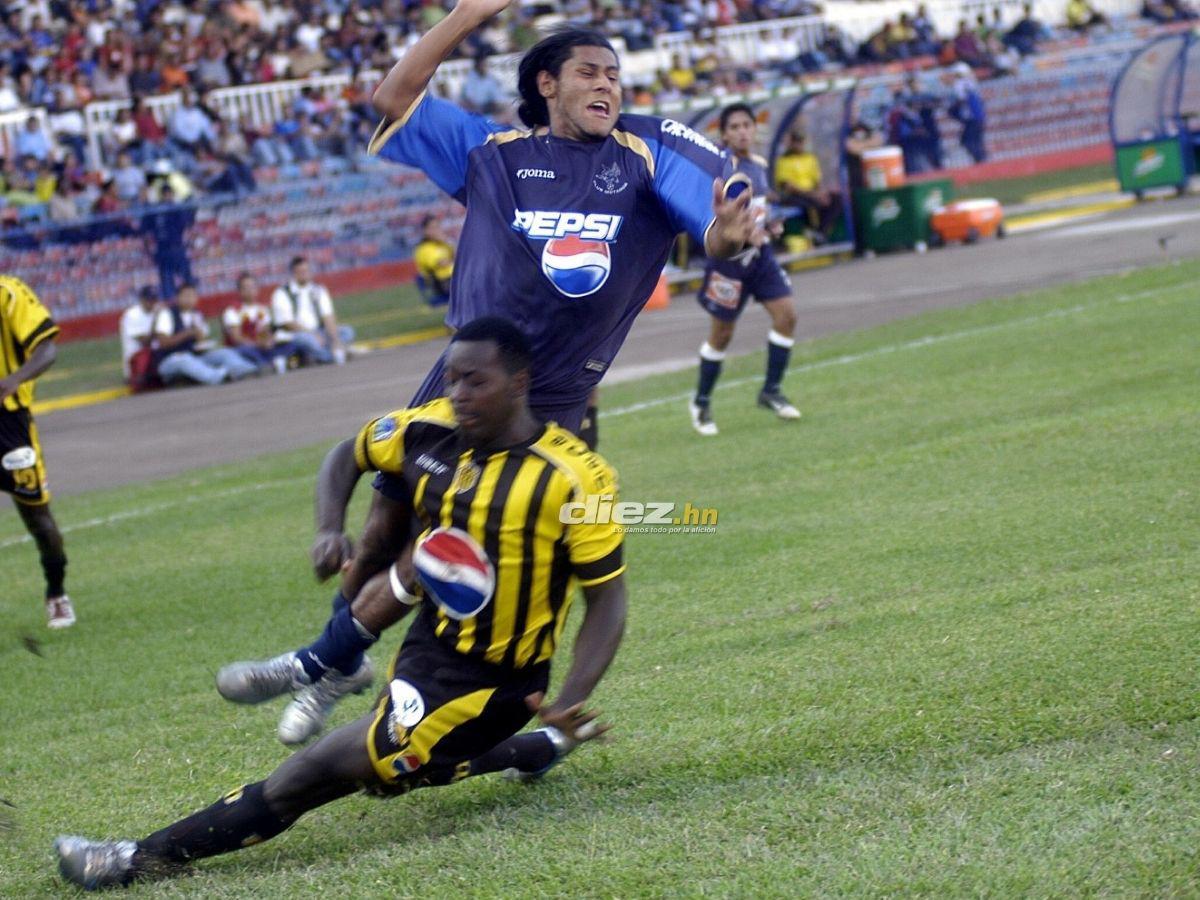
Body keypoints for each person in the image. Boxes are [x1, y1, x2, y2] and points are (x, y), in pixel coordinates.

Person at [210, 6, 756, 744]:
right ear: (546, 83)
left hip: (549, 407)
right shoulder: (491, 151)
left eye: (616, 75)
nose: (609, 86)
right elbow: (392, 99)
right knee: (382, 529)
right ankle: (339, 665)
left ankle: (349, 672)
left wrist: (724, 235)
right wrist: (466, 15)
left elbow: (715, 228)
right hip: (458, 381)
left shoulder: (647, 151)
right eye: (591, 72)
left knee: (461, 551)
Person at [54, 318, 628, 889]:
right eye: (451, 379)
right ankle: (538, 749)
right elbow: (345, 455)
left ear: (520, 382)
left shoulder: (580, 478)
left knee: (316, 770)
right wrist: (329, 527)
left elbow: (607, 599)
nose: (457, 394)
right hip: (428, 646)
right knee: (396, 773)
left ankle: (129, 859)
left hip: (493, 687)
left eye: (474, 381)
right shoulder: (426, 432)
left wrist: (569, 698)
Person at [690, 104, 800, 437]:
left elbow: (760, 211)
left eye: (746, 125)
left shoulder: (760, 166)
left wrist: (770, 225)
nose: (741, 131)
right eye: (734, 126)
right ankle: (701, 402)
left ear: (755, 129)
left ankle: (771, 390)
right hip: (729, 263)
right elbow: (707, 215)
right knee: (722, 334)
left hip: (760, 256)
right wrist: (736, 232)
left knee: (787, 315)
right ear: (723, 133)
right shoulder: (719, 168)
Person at [0, 275, 74, 628]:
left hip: (8, 425)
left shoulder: (9, 293)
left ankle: (56, 593)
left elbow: (47, 349)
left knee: (39, 522)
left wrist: (15, 379)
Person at [153, 284, 259, 386]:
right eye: (186, 296)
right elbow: (163, 343)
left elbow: (201, 341)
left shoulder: (197, 314)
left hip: (193, 356)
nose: (189, 299)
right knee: (184, 358)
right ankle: (217, 376)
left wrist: (200, 338)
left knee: (224, 352)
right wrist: (187, 333)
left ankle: (245, 369)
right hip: (170, 360)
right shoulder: (167, 314)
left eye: (192, 296)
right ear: (177, 298)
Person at [269, 256, 354, 366]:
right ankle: (333, 356)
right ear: (294, 273)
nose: (305, 274)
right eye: (301, 272)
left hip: (319, 331)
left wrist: (335, 339)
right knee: (308, 341)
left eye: (307, 271)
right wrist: (312, 334)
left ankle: (330, 352)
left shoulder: (319, 290)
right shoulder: (282, 293)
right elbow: (287, 323)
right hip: (296, 334)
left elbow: (328, 316)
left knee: (347, 331)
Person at [223, 272, 291, 374]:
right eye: (246, 287)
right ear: (240, 291)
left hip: (260, 346)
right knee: (247, 350)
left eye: (253, 286)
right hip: (244, 347)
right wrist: (257, 344)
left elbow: (266, 331)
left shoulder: (262, 309)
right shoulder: (232, 311)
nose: (250, 290)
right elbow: (236, 338)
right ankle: (267, 364)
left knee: (289, 344)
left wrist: (268, 341)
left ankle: (267, 363)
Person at [140, 183, 196, 299]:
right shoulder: (167, 210)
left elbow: (186, 224)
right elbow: (145, 231)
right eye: (166, 194)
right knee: (169, 281)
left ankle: (188, 298)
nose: (167, 196)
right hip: (167, 249)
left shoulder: (160, 210)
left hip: (173, 248)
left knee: (183, 279)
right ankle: (173, 302)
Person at [119, 286, 161, 383]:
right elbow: (145, 342)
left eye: (155, 300)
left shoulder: (156, 312)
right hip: (137, 361)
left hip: (152, 357)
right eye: (150, 300)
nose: (153, 303)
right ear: (142, 300)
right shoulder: (132, 315)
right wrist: (157, 320)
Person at [947, 63, 987, 164]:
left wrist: (951, 110)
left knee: (967, 140)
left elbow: (961, 99)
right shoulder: (972, 82)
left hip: (970, 117)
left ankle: (980, 159)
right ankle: (981, 158)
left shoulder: (959, 84)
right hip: (978, 115)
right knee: (976, 139)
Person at [413, 213, 455, 304]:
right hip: (441, 283)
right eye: (433, 228)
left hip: (453, 279)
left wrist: (447, 242)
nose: (437, 231)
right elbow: (442, 263)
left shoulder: (443, 244)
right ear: (425, 231)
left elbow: (459, 255)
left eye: (438, 227)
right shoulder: (424, 248)